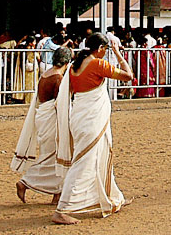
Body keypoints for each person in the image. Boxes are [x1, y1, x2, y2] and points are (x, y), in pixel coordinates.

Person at [53, 33, 134, 225]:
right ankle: (62, 209)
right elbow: (128, 76)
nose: (106, 53)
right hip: (90, 120)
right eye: (105, 50)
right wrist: (118, 54)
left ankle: (112, 198)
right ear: (100, 48)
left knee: (99, 156)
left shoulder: (74, 66)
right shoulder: (97, 64)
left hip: (81, 117)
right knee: (83, 161)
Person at [13, 47, 72, 204]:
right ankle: (26, 182)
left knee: (55, 155)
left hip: (43, 117)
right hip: (51, 119)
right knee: (53, 156)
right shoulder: (58, 78)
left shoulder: (46, 74)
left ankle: (57, 194)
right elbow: (60, 103)